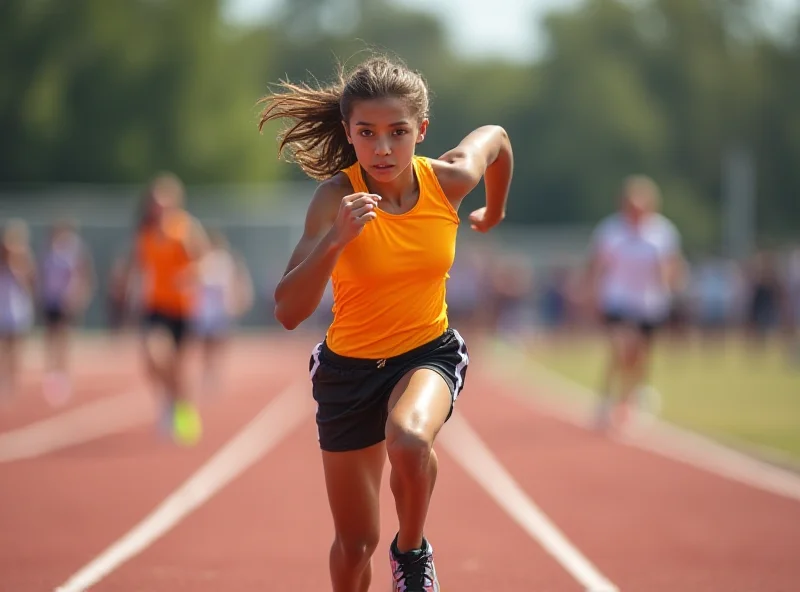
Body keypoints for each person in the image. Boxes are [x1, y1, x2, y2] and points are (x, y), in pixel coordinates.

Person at [258, 55, 513, 592]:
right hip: (347, 372)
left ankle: (413, 551)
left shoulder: (447, 182)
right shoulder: (334, 199)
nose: (383, 148)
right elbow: (287, 311)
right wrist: (336, 240)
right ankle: (383, 555)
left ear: (421, 130)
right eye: (367, 133)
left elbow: (497, 139)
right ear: (348, 133)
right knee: (354, 546)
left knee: (410, 441)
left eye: (398, 133)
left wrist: (493, 211)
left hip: (427, 352)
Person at [586, 175, 685, 431]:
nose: (635, 212)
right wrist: (593, 293)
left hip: (650, 303)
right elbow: (598, 265)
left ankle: (629, 400)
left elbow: (672, 265)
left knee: (639, 357)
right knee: (622, 348)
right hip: (618, 299)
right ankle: (606, 401)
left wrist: (673, 285)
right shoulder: (611, 230)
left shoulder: (662, 232)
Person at [119, 173, 209, 445]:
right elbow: (135, 264)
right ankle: (170, 404)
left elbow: (204, 261)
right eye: (154, 202)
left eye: (163, 202)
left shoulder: (184, 229)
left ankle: (181, 407)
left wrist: (189, 275)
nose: (158, 208)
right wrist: (124, 288)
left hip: (182, 308)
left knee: (177, 368)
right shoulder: (144, 233)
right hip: (155, 306)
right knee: (153, 356)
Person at [38, 219, 96, 405]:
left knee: (64, 336)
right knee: (50, 336)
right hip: (50, 299)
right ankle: (50, 372)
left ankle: (63, 373)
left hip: (65, 300)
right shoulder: (49, 249)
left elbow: (83, 273)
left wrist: (78, 295)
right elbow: (42, 274)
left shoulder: (73, 249)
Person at [191, 228, 253, 395]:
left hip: (219, 308)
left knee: (218, 342)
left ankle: (214, 371)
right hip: (206, 309)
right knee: (206, 344)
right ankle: (208, 372)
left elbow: (231, 281)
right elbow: (198, 281)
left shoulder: (224, 260)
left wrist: (236, 299)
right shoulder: (203, 260)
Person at [0, 219, 36, 400]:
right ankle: (4, 380)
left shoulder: (23, 261)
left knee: (15, 348)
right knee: (3, 347)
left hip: (17, 310)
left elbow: (29, 282)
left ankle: (12, 380)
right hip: (3, 310)